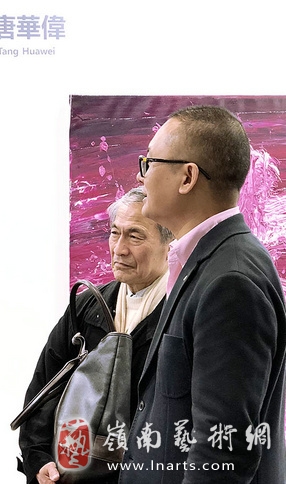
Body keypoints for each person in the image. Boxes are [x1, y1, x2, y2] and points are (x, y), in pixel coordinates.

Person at [120, 105, 286, 482]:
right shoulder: (208, 260)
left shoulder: (231, 280)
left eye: (150, 163)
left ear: (187, 177)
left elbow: (222, 451)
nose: (141, 175)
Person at [18, 187, 174, 484]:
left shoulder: (180, 314)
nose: (120, 248)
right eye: (115, 233)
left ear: (171, 244)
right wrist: (38, 459)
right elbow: (44, 389)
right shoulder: (87, 307)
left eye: (135, 236)